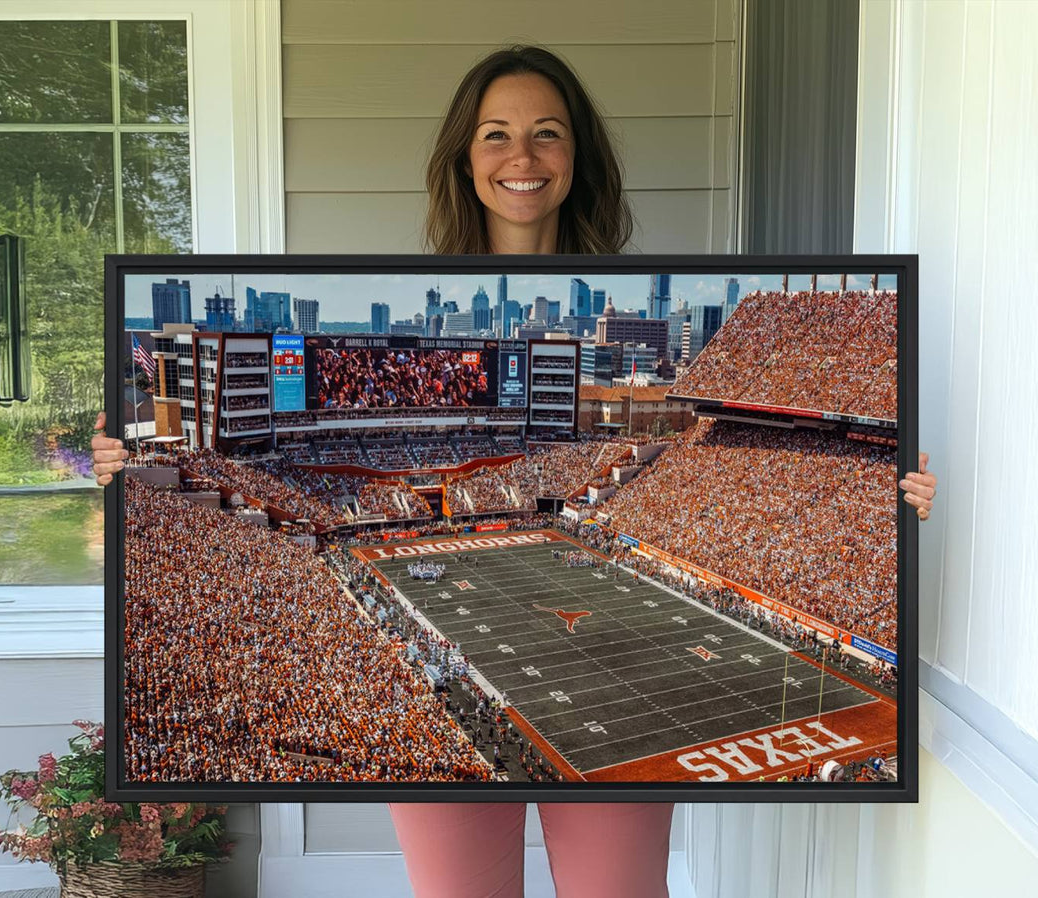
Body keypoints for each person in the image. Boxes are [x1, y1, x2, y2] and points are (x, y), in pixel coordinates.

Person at [91, 43, 939, 898]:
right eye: (495, 134)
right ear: (464, 158)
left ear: (579, 158)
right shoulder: (403, 286)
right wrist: (117, 473)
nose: (521, 157)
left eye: (547, 134)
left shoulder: (626, 290)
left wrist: (894, 495)